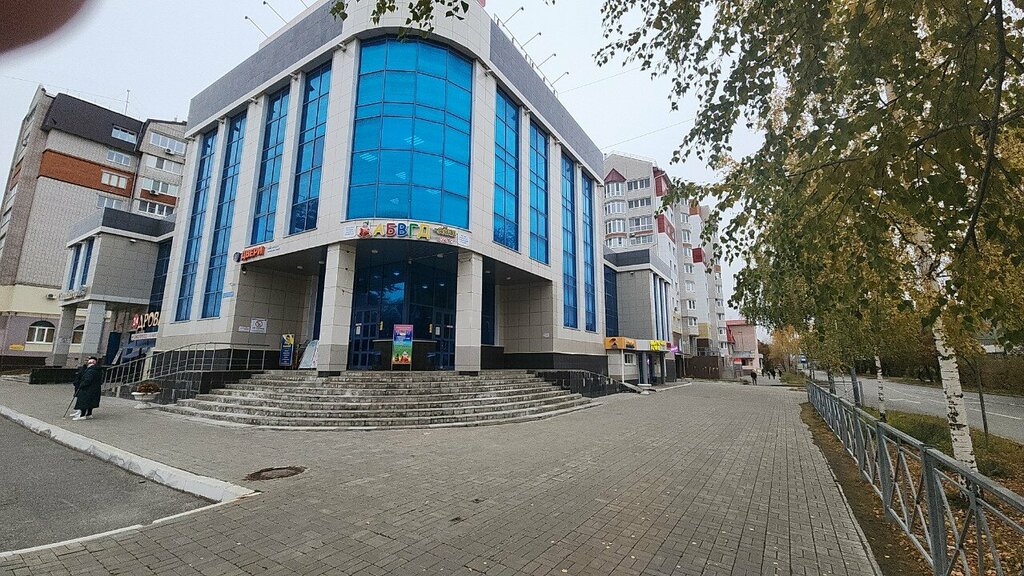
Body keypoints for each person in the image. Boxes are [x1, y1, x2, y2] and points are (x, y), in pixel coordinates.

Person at [71, 356, 103, 421]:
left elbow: (87, 380)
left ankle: (82, 415)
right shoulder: (98, 370)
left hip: (87, 389)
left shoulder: (91, 370)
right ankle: (88, 414)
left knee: (84, 401)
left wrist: (81, 385)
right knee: (90, 402)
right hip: (94, 389)